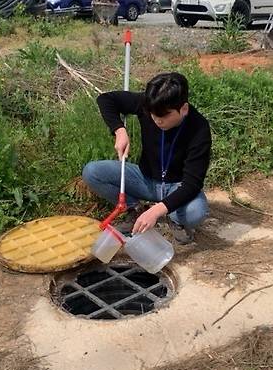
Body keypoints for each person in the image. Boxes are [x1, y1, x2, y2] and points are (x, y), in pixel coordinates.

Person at [83, 72, 211, 244]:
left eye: (164, 116)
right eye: (152, 114)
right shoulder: (149, 104)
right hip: (144, 179)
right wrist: (119, 130)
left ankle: (174, 218)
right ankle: (134, 208)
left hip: (176, 185)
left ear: (184, 109)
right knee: (92, 172)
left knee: (196, 212)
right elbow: (106, 99)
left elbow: (192, 184)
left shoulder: (199, 128)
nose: (157, 120)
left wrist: (157, 211)